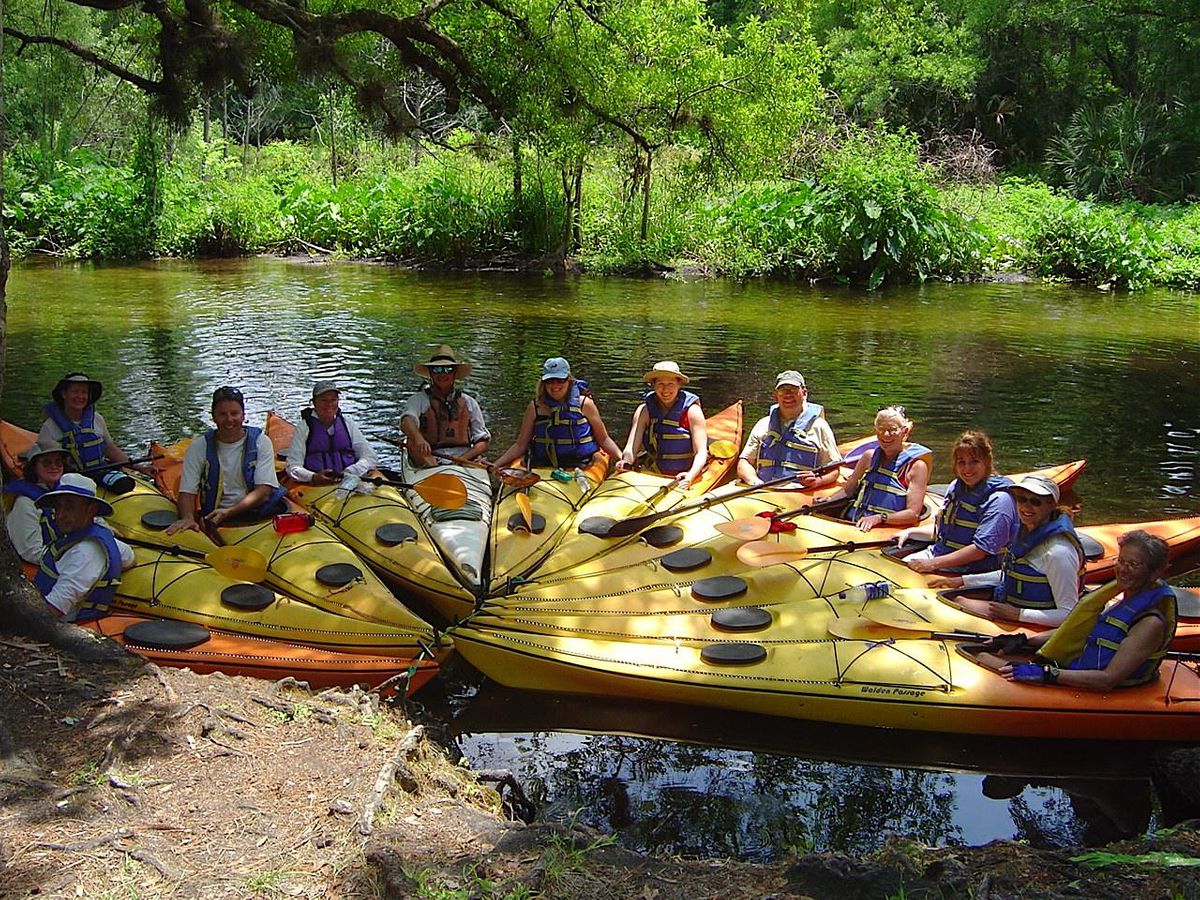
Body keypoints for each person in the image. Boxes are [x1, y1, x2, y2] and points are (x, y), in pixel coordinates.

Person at [977, 530, 1175, 692]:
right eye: (1121, 561)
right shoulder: (1120, 600)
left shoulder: (1149, 624)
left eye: (1133, 564)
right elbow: (1083, 632)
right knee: (982, 655)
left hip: (1102, 689)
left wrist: (1047, 673)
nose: (1122, 569)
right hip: (1078, 670)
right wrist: (1024, 640)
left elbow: (1107, 680)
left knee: (989, 662)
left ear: (1154, 572)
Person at [930, 473, 1084, 627]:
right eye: (1021, 499)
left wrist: (1019, 615)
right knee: (956, 599)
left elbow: (1069, 614)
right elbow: (1009, 573)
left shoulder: (1058, 552)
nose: (1026, 506)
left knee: (959, 603)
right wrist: (961, 581)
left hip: (1031, 624)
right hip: (1012, 608)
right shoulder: (1025, 532)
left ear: (1051, 505)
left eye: (1035, 502)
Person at [167, 386, 286, 534]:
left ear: (243, 415)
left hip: (258, 511)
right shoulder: (199, 447)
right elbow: (187, 492)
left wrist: (229, 511)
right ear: (214, 417)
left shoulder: (261, 442)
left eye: (234, 413)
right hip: (216, 515)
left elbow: (263, 492)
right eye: (223, 414)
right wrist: (187, 517)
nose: (229, 420)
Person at [896, 430, 1017, 574]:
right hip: (938, 556)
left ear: (987, 461)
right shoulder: (955, 487)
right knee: (893, 572)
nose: (967, 469)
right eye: (961, 462)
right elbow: (944, 530)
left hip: (974, 570)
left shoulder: (1000, 500)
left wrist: (932, 564)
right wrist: (910, 532)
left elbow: (980, 550)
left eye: (974, 462)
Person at [32, 473, 135, 622]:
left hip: (66, 623)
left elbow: (54, 609)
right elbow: (130, 558)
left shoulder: (85, 553)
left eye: (69, 507)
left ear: (91, 509)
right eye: (58, 507)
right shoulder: (96, 537)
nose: (60, 515)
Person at [492, 357, 622, 470]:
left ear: (569, 380)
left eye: (560, 380)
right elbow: (520, 445)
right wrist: (495, 465)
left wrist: (622, 458)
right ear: (544, 383)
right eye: (550, 381)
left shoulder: (584, 404)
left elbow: (604, 439)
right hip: (542, 464)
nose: (555, 385)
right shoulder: (535, 407)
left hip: (581, 464)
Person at [824, 405, 931, 532]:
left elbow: (913, 514)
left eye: (892, 430)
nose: (886, 435)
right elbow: (848, 490)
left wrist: (880, 518)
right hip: (854, 522)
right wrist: (828, 500)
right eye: (881, 429)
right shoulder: (869, 457)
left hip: (884, 528)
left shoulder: (916, 467)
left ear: (904, 431)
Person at [737, 370, 840, 489]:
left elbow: (834, 470)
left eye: (793, 390)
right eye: (782, 390)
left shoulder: (820, 427)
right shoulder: (763, 424)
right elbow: (745, 462)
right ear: (775, 396)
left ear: (804, 393)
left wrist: (817, 481)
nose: (788, 395)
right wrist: (754, 481)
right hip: (762, 489)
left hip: (799, 491)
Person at [617, 361, 708, 487]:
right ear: (653, 384)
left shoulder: (692, 412)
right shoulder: (644, 411)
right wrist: (626, 461)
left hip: (684, 473)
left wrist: (690, 475)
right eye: (660, 384)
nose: (665, 390)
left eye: (671, 384)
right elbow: (631, 447)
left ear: (679, 384)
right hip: (652, 473)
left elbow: (701, 452)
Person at [400, 345, 490, 467]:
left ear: (454, 373)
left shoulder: (469, 402)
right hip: (429, 458)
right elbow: (407, 421)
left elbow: (483, 442)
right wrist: (419, 439)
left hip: (463, 460)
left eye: (448, 369)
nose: (442, 373)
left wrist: (462, 459)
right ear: (431, 373)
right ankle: (434, 471)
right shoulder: (418, 400)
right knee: (412, 441)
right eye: (437, 369)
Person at [37, 372, 136, 475]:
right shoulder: (50, 427)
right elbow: (50, 465)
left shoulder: (97, 418)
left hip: (100, 471)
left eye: (84, 392)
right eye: (75, 391)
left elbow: (110, 449)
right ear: (64, 394)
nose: (80, 396)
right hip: (70, 477)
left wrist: (138, 467)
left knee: (124, 484)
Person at [284, 381, 377, 485]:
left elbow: (370, 456)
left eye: (333, 400)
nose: (329, 405)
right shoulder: (304, 427)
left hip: (348, 480)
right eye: (324, 400)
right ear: (314, 402)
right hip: (316, 485)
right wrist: (313, 477)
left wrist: (351, 471)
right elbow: (293, 466)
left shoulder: (347, 424)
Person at [4, 442, 71, 564]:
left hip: (69, 550)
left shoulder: (65, 492)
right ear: (34, 467)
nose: (54, 466)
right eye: (47, 462)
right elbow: (31, 552)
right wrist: (73, 559)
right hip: (49, 562)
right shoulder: (25, 503)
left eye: (58, 462)